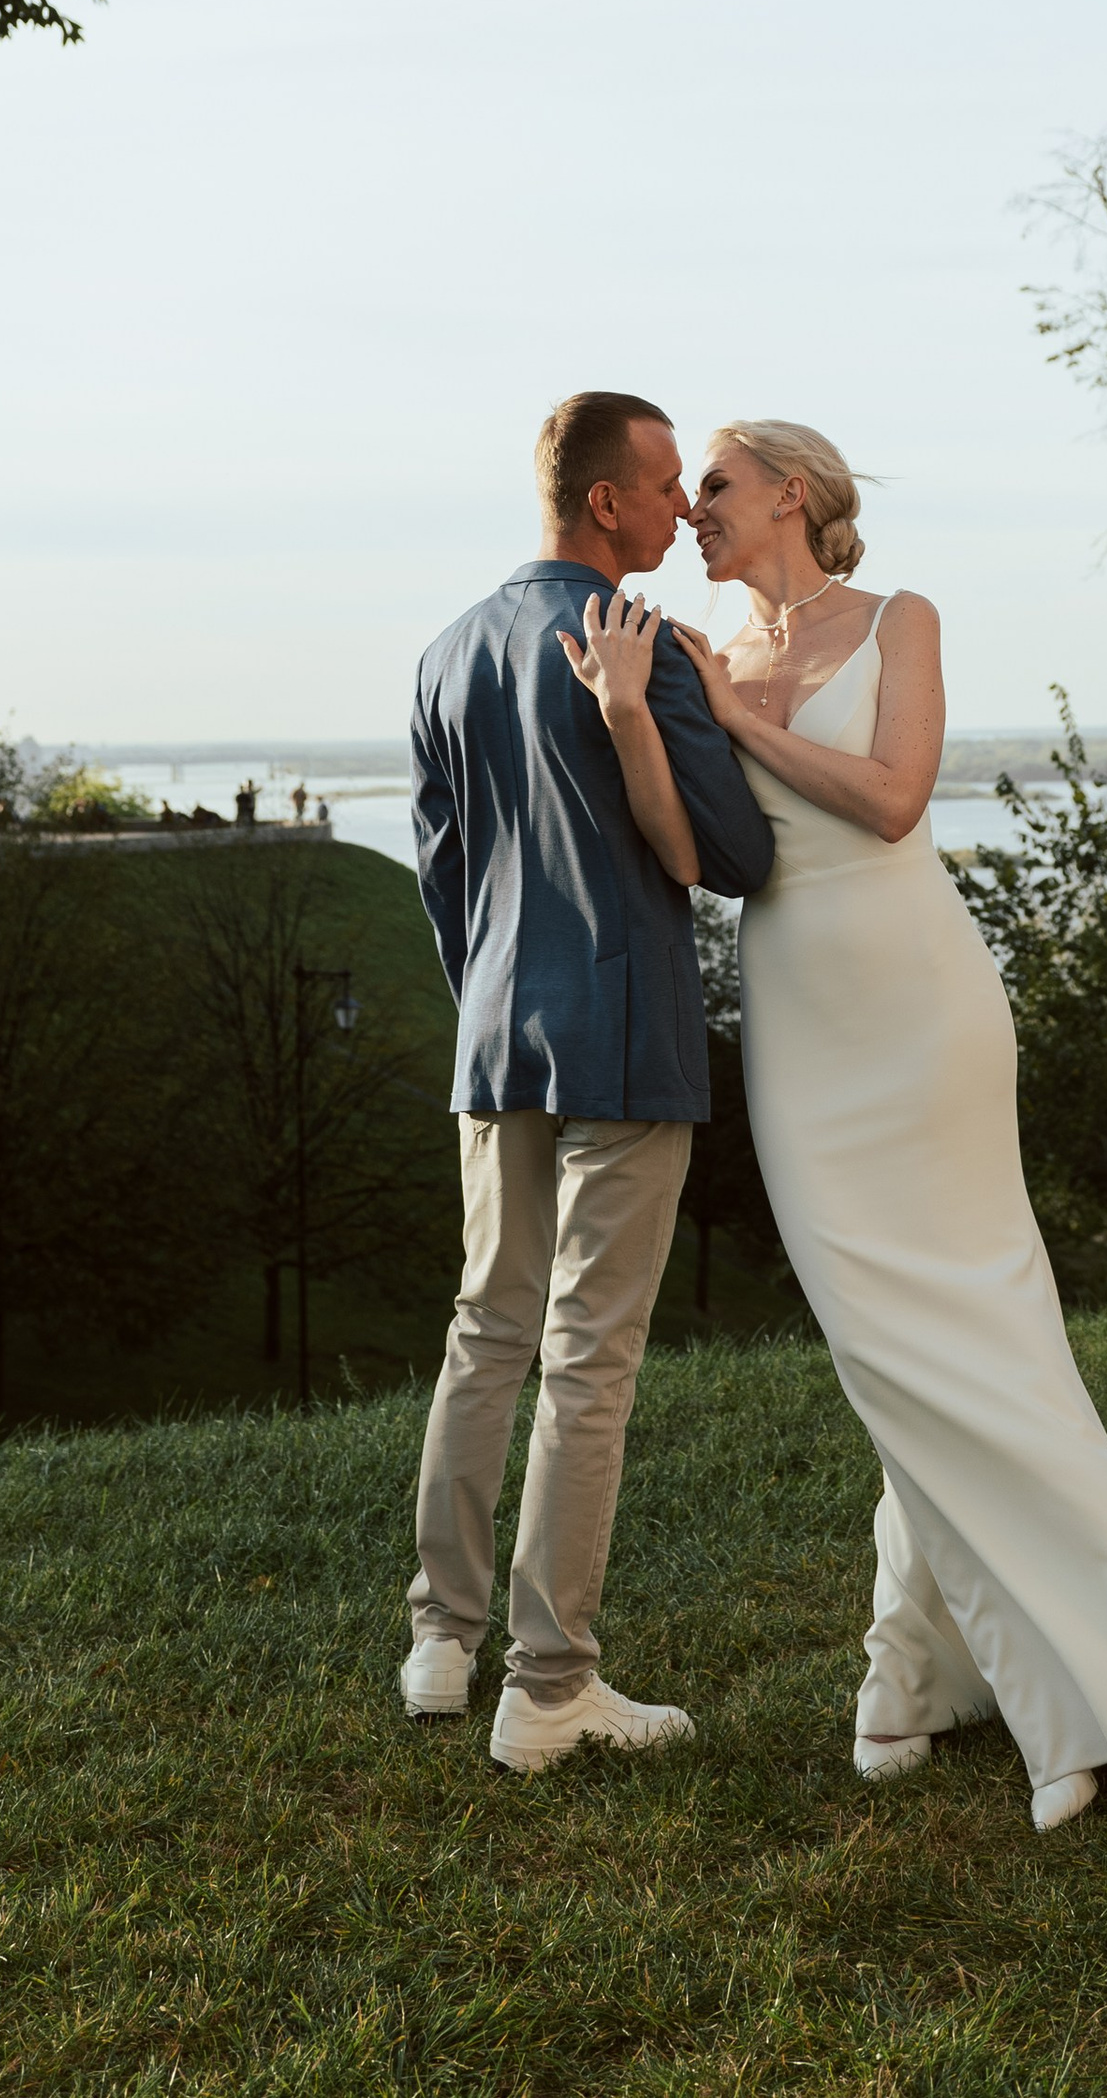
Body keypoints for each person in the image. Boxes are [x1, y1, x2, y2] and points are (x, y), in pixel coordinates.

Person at [622, 415, 1107, 1834]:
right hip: (801, 1032)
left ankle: (1048, 1709)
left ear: (791, 492)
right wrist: (636, 712)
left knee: (987, 1337)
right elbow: (699, 860)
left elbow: (898, 802)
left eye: (713, 486)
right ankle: (908, 1678)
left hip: (927, 1013)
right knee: (888, 1351)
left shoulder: (896, 619)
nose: (694, 512)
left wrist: (736, 721)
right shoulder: (698, 661)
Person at [405, 390, 774, 1774]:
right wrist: (708, 706)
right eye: (670, 484)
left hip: (496, 1035)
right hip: (625, 1036)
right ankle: (550, 1684)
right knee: (589, 1362)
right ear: (607, 500)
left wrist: (492, 1000)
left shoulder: (446, 654)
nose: (684, 508)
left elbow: (443, 877)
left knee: (482, 1331)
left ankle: (441, 1639)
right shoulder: (636, 646)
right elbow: (735, 853)